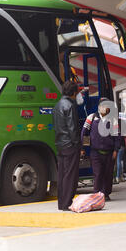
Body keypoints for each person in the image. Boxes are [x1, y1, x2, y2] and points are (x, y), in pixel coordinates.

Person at [81, 98, 121, 201]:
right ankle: (96, 194)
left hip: (109, 153)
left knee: (108, 174)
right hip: (95, 152)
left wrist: (116, 150)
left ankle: (106, 194)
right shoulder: (91, 117)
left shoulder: (113, 120)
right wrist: (84, 148)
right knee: (98, 173)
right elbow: (84, 133)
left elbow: (117, 136)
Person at [53, 80, 81, 211]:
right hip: (70, 145)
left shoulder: (57, 105)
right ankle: (67, 203)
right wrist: (78, 145)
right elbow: (73, 128)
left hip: (60, 144)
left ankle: (61, 203)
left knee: (62, 175)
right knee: (70, 176)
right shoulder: (70, 105)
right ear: (74, 92)